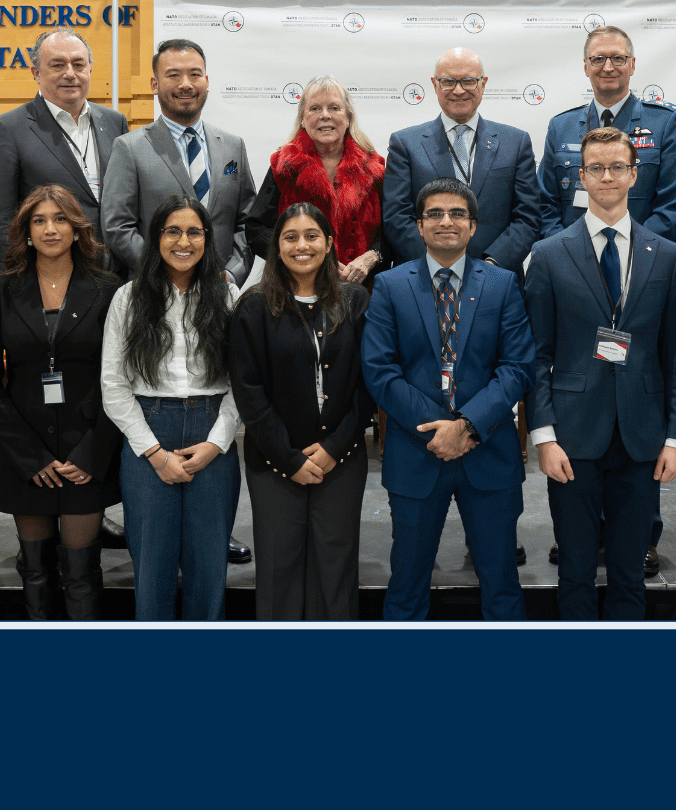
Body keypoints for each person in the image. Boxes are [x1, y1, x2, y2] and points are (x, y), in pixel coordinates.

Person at [524, 127, 676, 620]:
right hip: (573, 436)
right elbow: (536, 355)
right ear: (581, 176)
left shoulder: (667, 255)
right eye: (596, 168)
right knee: (575, 568)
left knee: (629, 572)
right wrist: (543, 437)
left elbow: (675, 354)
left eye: (618, 167)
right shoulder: (548, 254)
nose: (607, 177)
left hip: (643, 435)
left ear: (634, 175)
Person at [362, 178, 535, 621]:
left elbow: (517, 367)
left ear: (473, 226)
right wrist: (441, 430)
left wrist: (468, 426)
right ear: (419, 226)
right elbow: (380, 371)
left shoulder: (502, 284)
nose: (446, 221)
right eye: (434, 214)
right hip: (417, 452)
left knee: (502, 585)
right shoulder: (390, 286)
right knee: (406, 585)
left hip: (489, 451)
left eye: (458, 213)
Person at [0, 185, 124, 620]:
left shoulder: (109, 289)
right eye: (39, 221)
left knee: (81, 572)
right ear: (26, 231)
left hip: (86, 448)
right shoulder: (0, 291)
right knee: (35, 571)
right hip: (24, 451)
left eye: (60, 219)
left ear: (77, 229)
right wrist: (29, 456)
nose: (50, 229)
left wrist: (92, 452)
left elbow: (120, 378)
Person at [230, 204, 375, 619]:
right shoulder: (254, 306)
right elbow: (248, 391)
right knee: (279, 568)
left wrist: (335, 447)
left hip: (342, 456)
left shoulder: (356, 300)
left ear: (329, 243)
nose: (302, 246)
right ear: (276, 246)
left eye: (312, 236)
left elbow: (368, 385)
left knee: (336, 566)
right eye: (290, 237)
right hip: (274, 460)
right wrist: (289, 458)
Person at [100, 195, 242, 621]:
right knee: (152, 566)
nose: (184, 241)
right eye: (172, 231)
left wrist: (216, 443)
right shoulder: (128, 297)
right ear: (156, 237)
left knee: (209, 566)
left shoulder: (227, 294)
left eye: (194, 232)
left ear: (207, 238)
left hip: (212, 428)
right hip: (149, 430)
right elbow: (113, 384)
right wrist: (155, 453)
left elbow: (244, 381)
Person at [101, 39, 256, 285]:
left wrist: (233, 273)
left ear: (207, 82)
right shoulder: (129, 148)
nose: (185, 84)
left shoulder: (233, 146)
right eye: (173, 75)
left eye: (195, 74)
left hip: (220, 291)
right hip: (156, 290)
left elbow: (247, 222)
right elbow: (117, 227)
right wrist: (163, 272)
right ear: (154, 84)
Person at [0, 29, 128, 271]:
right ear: (36, 73)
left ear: (90, 69)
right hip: (46, 278)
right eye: (58, 65)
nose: (70, 73)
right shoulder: (7, 129)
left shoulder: (114, 122)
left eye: (78, 64)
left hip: (116, 275)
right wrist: (9, 284)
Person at [382, 48, 542, 274]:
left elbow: (528, 217)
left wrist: (491, 265)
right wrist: (441, 265)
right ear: (434, 84)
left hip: (497, 277)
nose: (458, 90)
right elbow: (397, 217)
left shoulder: (515, 142)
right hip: (424, 277)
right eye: (448, 82)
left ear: (483, 84)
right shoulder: (405, 144)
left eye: (468, 81)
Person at [538, 25, 676, 242]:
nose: (608, 67)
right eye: (598, 59)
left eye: (618, 58)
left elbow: (674, 204)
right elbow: (544, 205)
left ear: (632, 64)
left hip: (641, 254)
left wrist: (632, 249)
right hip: (572, 255)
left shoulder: (666, 123)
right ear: (586, 66)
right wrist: (565, 250)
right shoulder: (561, 127)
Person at [245, 75, 386, 286]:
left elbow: (393, 230)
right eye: (315, 109)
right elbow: (255, 229)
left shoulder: (374, 168)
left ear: (348, 118)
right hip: (294, 287)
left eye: (334, 108)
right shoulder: (283, 166)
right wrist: (305, 258)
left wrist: (371, 257)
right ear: (302, 118)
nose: (325, 115)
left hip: (363, 289)